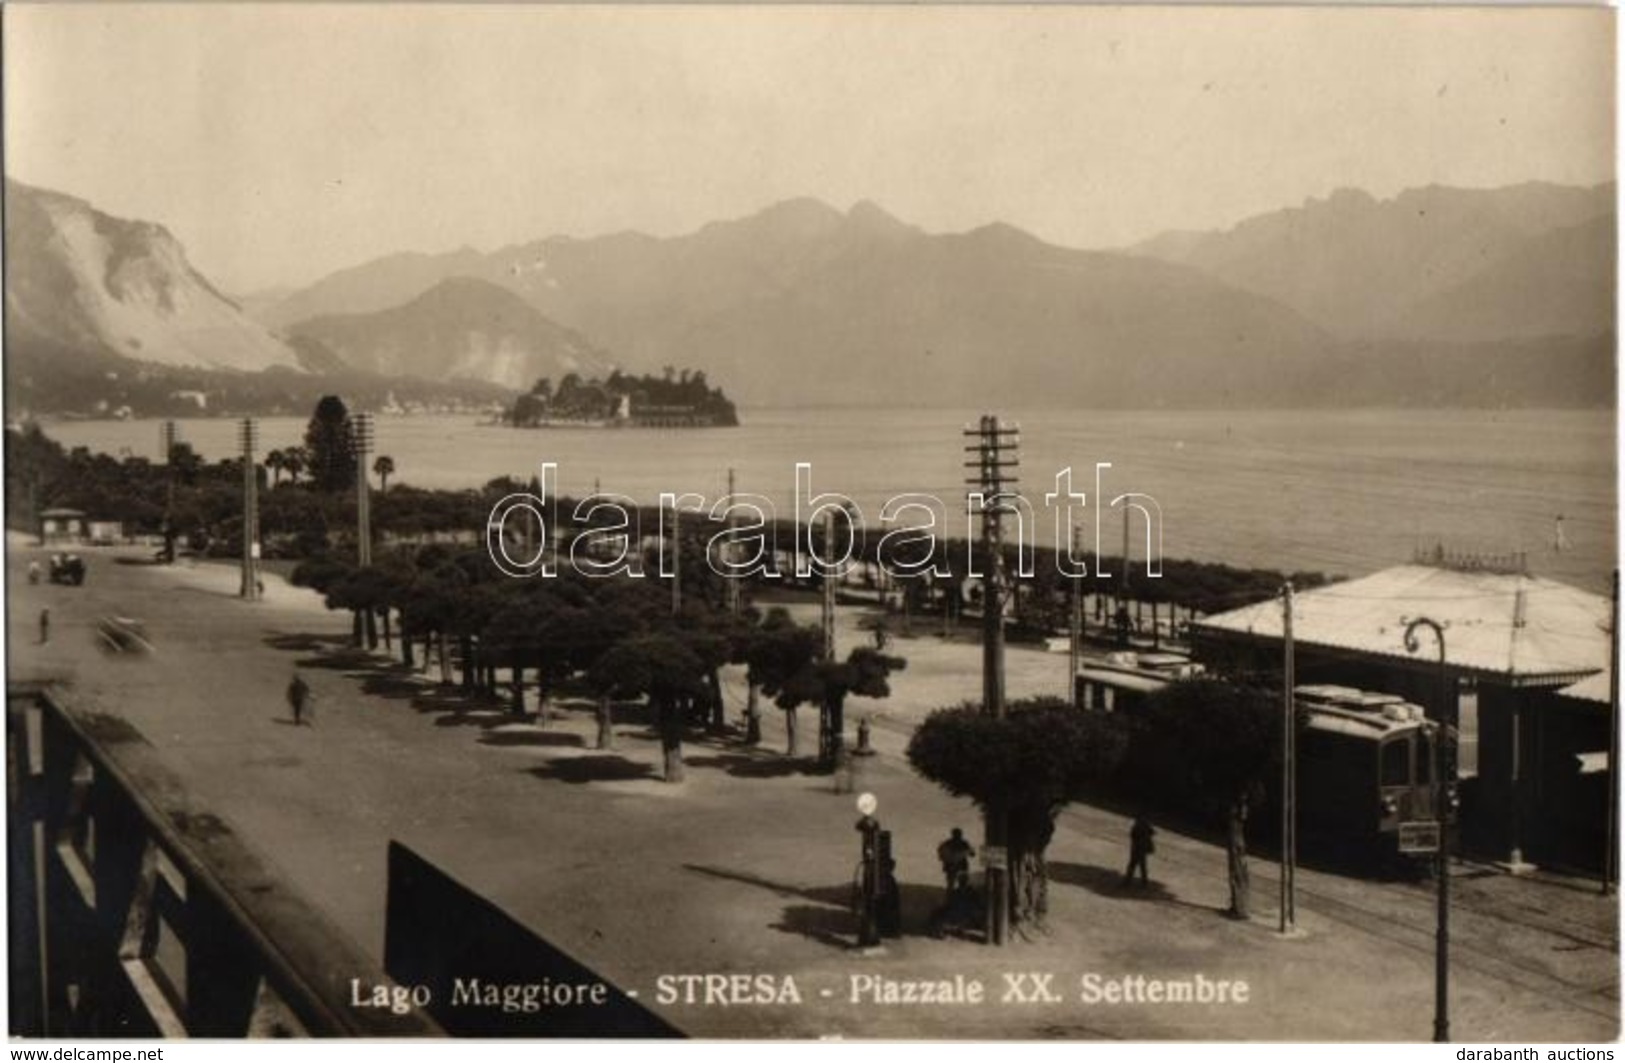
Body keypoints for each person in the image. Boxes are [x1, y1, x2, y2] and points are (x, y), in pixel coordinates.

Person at [937, 827, 974, 895]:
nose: (958, 836)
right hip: (960, 866)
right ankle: (956, 900)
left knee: (952, 885)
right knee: (959, 884)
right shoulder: (963, 843)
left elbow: (941, 855)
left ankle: (951, 901)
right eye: (958, 834)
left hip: (953, 867)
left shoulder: (948, 843)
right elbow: (972, 854)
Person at [1124, 813, 1156, 887]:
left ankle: (1128, 881)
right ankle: (1144, 882)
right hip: (1142, 849)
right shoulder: (1146, 826)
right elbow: (1152, 833)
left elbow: (1133, 836)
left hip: (1137, 849)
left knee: (1133, 865)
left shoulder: (1137, 827)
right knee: (1142, 866)